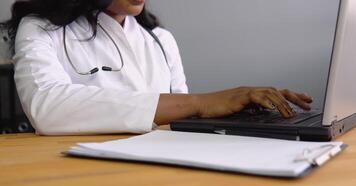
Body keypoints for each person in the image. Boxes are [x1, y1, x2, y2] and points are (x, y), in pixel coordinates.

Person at [0, 0, 313, 135]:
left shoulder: (161, 39)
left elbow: (181, 118)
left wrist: (241, 110)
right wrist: (202, 103)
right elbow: (48, 108)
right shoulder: (40, 28)